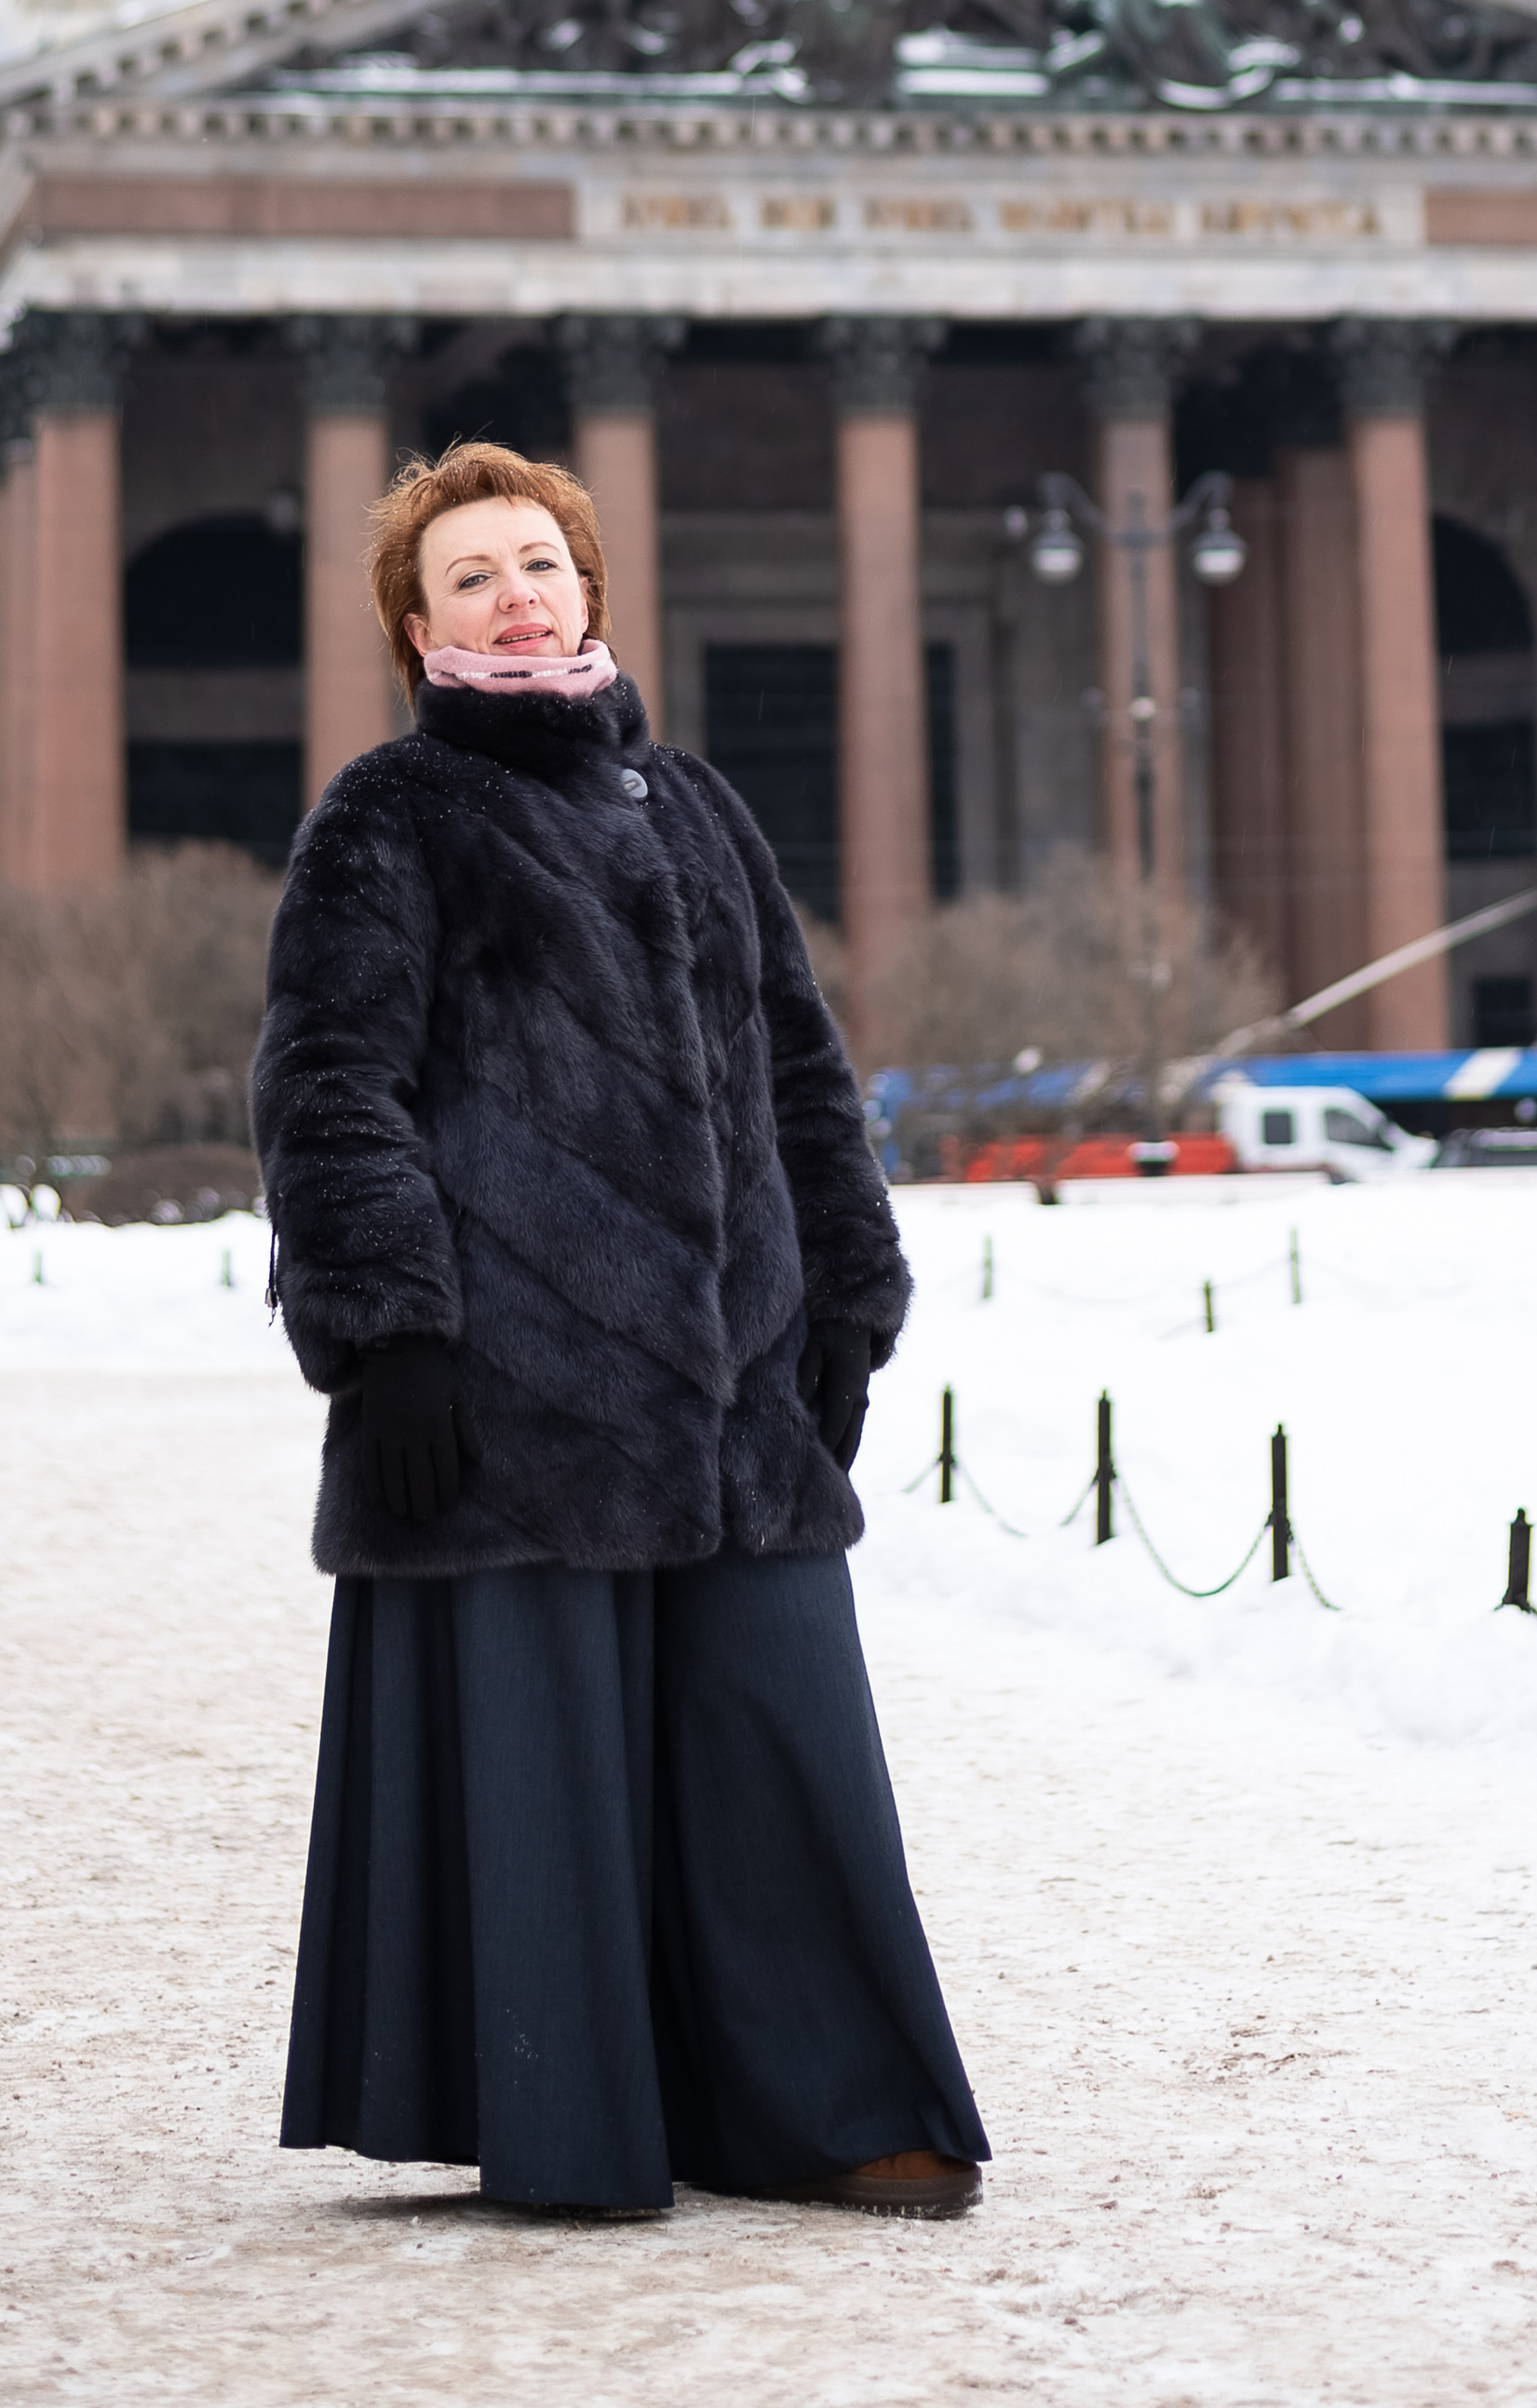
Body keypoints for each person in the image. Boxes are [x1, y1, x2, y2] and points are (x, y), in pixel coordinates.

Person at [255, 438, 988, 2220]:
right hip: (516, 1390)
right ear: (418, 625)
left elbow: (805, 1074)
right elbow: (329, 1084)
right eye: (471, 579)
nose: (516, 596)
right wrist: (390, 1331)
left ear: (589, 584)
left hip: (739, 1388)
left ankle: (838, 2106)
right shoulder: (390, 814)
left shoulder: (705, 811)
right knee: (550, 1773)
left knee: (784, 1742)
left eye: (538, 564)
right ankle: (579, 2119)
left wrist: (848, 1303)